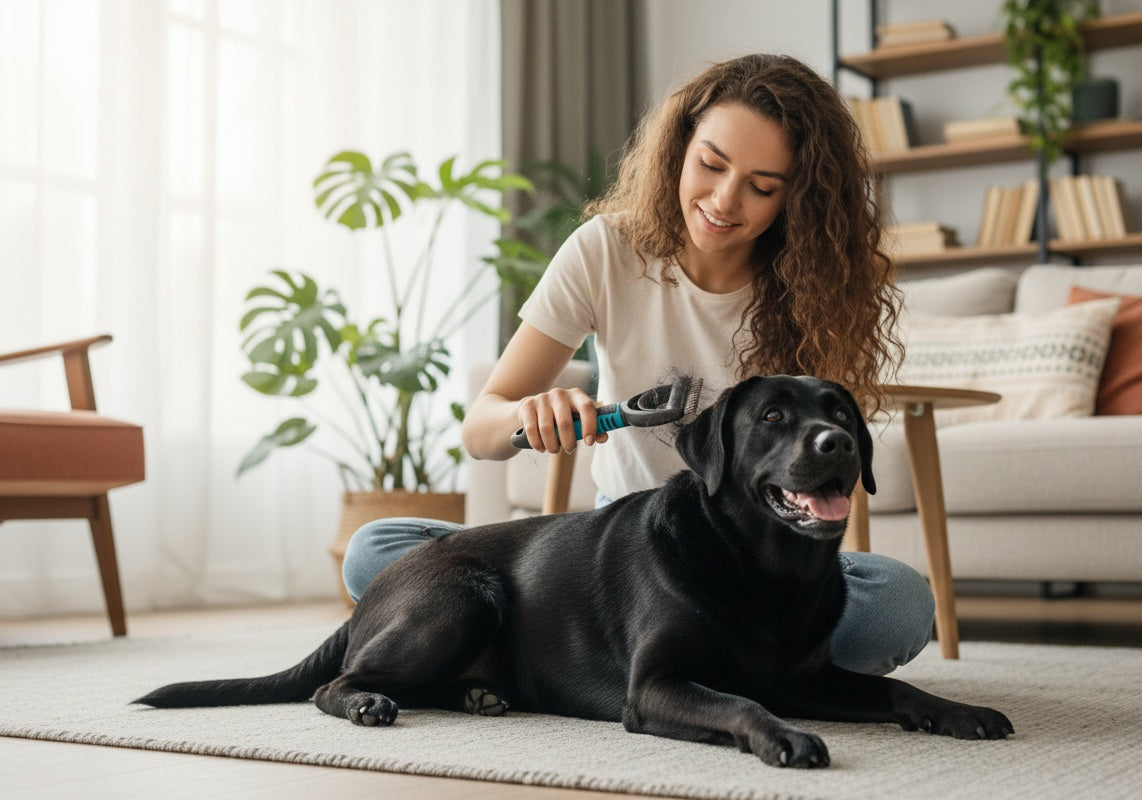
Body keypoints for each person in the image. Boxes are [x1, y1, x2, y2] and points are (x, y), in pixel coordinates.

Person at [341, 53, 934, 676]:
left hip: (754, 566)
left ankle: (577, 655)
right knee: (375, 549)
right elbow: (479, 430)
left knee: (897, 606)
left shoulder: (814, 289)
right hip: (622, 554)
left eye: (762, 187)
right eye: (710, 164)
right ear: (679, 147)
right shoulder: (604, 250)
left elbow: (807, 479)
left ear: (798, 197)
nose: (724, 201)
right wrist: (529, 412)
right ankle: (679, 656)